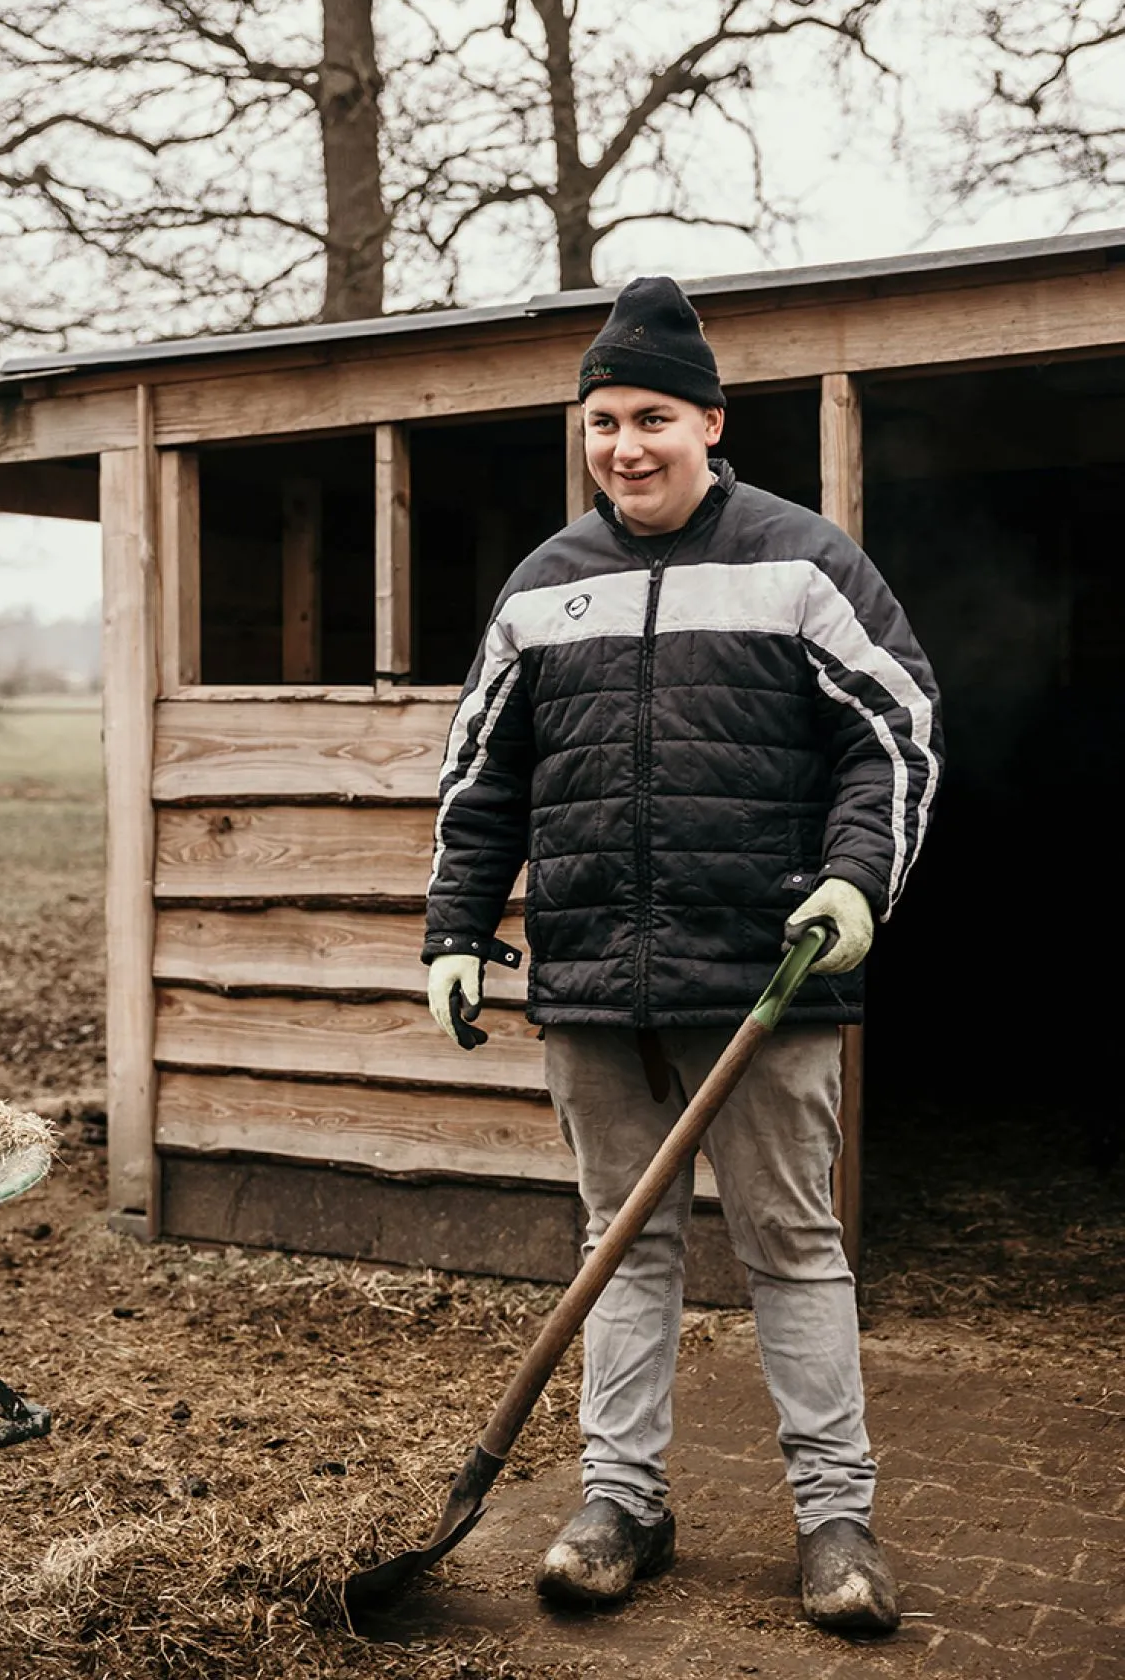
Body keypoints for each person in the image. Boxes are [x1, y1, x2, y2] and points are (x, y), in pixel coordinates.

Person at [421, 276, 941, 1636]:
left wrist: (852, 879)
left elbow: (890, 734)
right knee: (623, 1247)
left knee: (792, 1249)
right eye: (602, 423)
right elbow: (482, 781)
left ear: (711, 420)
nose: (625, 447)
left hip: (766, 978)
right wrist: (458, 932)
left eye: (652, 417)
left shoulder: (798, 562)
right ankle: (621, 1505)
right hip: (595, 982)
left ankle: (834, 1520)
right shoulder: (546, 587)